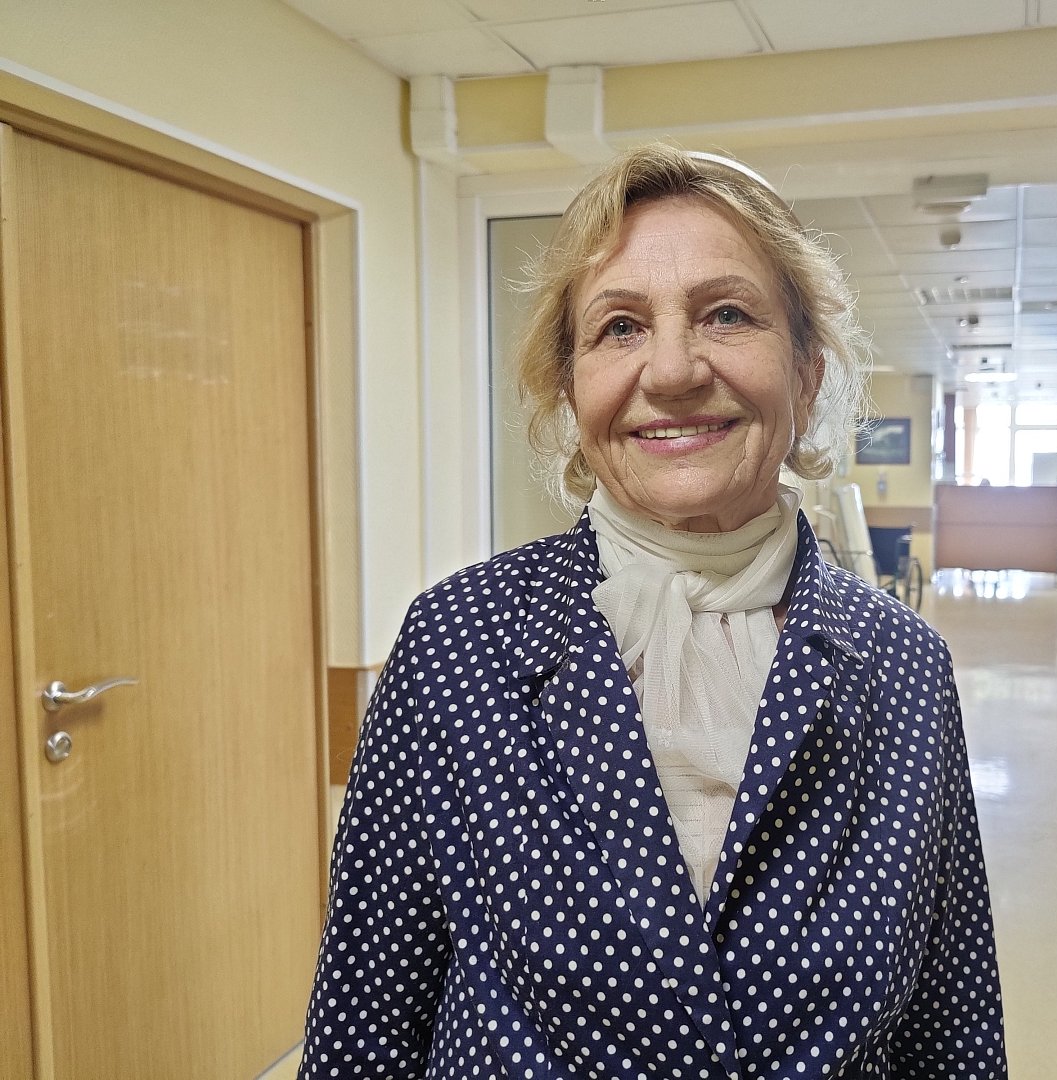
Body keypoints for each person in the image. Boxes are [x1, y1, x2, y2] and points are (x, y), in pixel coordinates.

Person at [299, 143, 1006, 1079]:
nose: (671, 370)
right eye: (620, 327)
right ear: (570, 386)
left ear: (806, 371)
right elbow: (364, 1030)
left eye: (727, 314)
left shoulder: (904, 667)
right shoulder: (458, 642)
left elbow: (952, 1036)